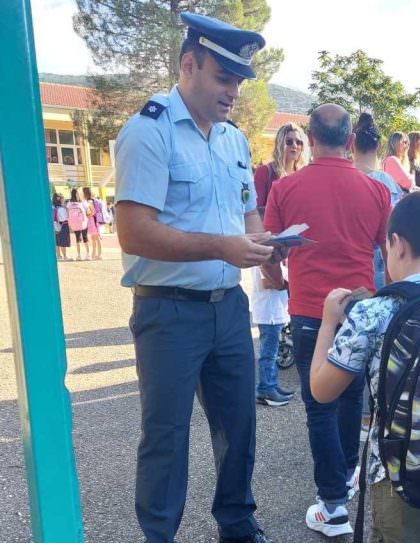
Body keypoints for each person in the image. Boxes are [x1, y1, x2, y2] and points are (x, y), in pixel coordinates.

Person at [114, 12, 276, 543]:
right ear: (189, 64)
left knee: (239, 429)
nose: (233, 90)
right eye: (223, 77)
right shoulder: (148, 131)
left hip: (228, 307)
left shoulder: (234, 140)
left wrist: (263, 245)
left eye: (238, 80)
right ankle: (158, 535)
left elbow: (246, 213)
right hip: (169, 310)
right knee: (165, 435)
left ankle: (237, 526)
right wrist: (221, 246)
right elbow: (134, 231)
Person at [309, 192, 420, 543]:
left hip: (398, 474)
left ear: (396, 244)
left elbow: (321, 390)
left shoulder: (373, 312)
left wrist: (329, 322)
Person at [263, 103, 391, 537]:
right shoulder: (375, 189)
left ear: (311, 140)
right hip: (361, 308)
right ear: (351, 141)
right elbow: (389, 254)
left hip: (309, 311)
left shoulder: (285, 189)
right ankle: (349, 473)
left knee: (318, 404)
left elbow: (270, 251)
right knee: (352, 394)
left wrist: (279, 279)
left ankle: (332, 505)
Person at [352, 113, 403, 289]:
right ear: (379, 146)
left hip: (349, 257)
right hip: (381, 258)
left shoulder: (344, 178)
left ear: (352, 144)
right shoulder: (386, 182)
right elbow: (392, 230)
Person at [250, 261, 293, 406]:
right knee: (268, 354)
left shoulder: (274, 258)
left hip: (274, 312)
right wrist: (292, 282)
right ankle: (265, 390)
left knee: (272, 353)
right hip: (269, 314)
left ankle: (272, 385)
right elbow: (267, 283)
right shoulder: (266, 259)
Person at [253, 122, 307, 212]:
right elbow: (257, 210)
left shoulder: (303, 175)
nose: (295, 146)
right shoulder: (264, 172)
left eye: (298, 142)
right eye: (289, 142)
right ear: (280, 144)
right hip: (271, 224)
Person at [67, 187, 90, 260]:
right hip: (83, 222)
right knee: (85, 238)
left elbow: (67, 212)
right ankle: (88, 255)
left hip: (75, 223)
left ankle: (79, 255)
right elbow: (88, 211)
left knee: (78, 239)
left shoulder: (69, 203)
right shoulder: (82, 202)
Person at [82, 186, 102, 260]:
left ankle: (97, 254)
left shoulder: (89, 201)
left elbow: (93, 212)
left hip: (92, 220)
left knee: (95, 238)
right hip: (92, 220)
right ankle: (95, 254)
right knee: (94, 238)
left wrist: (87, 216)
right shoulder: (89, 200)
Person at [53, 192, 71, 261]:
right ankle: (65, 256)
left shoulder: (53, 207)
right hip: (64, 225)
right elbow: (66, 217)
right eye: (62, 198)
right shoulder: (62, 208)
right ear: (59, 199)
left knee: (57, 241)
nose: (64, 199)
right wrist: (66, 209)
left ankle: (58, 255)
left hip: (56, 225)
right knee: (63, 241)